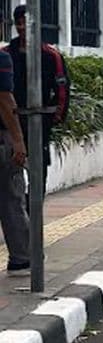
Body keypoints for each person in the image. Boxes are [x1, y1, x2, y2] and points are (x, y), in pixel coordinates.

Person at [7, 5, 69, 200]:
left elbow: (62, 89)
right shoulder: (7, 54)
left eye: (26, 23)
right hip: (11, 123)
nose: (23, 28)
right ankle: (19, 220)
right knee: (10, 176)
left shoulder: (51, 56)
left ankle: (32, 218)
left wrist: (55, 117)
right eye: (19, 24)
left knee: (38, 176)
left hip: (40, 124)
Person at [0, 45, 29, 276]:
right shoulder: (2, 58)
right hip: (1, 139)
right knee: (11, 196)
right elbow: (5, 100)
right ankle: (22, 257)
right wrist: (18, 140)